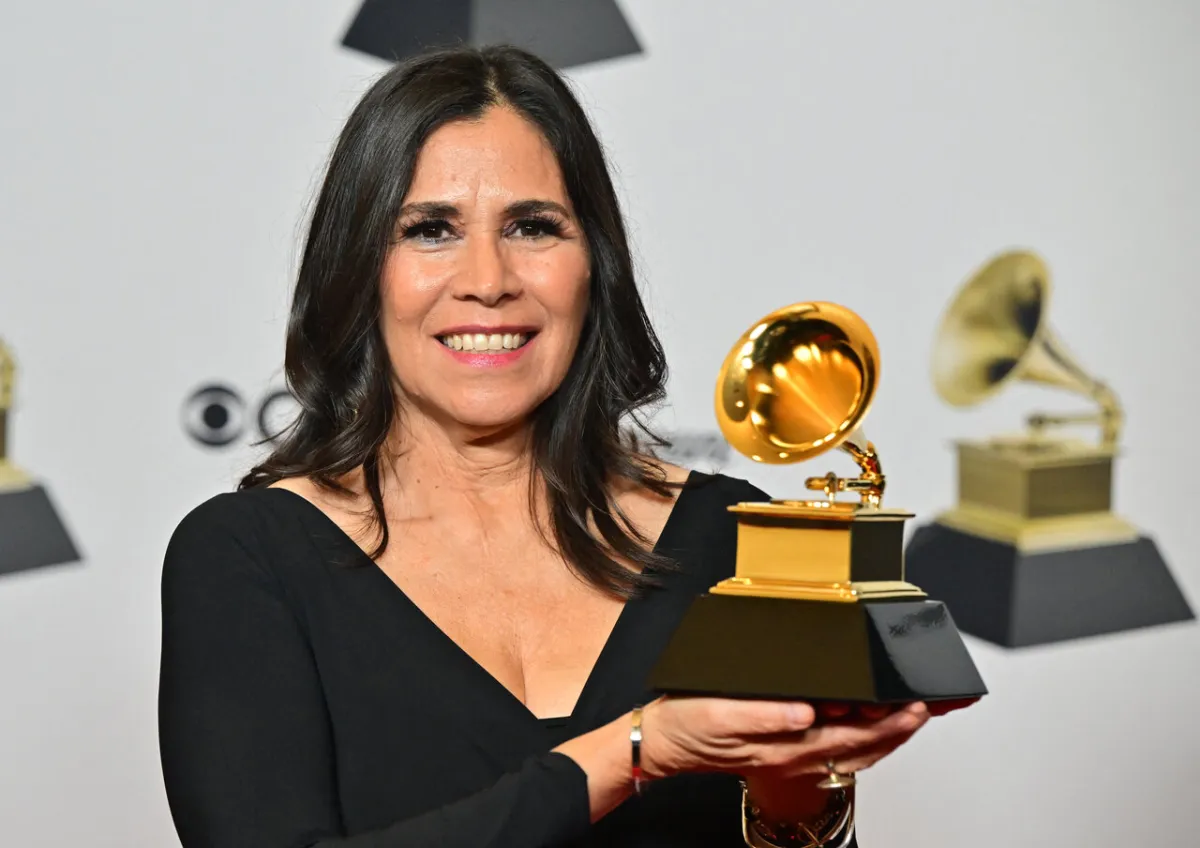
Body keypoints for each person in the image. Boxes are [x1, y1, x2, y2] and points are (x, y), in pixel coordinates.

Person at [158, 44, 966, 848]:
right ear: (359, 268)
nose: (489, 278)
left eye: (533, 226)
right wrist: (638, 750)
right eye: (430, 229)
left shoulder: (735, 537)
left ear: (594, 263)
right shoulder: (245, 557)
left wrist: (794, 790)